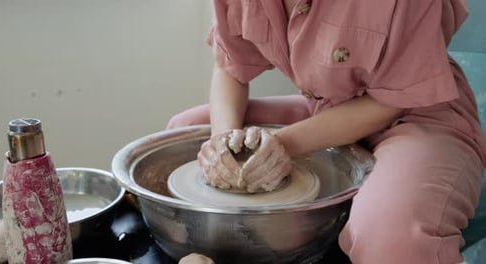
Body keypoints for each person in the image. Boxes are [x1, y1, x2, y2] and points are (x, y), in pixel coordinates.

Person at [167, 0, 486, 263]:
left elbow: (391, 102)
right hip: (328, 108)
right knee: (185, 133)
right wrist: (224, 142)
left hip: (420, 115)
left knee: (390, 237)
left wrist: (282, 144)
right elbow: (229, 68)